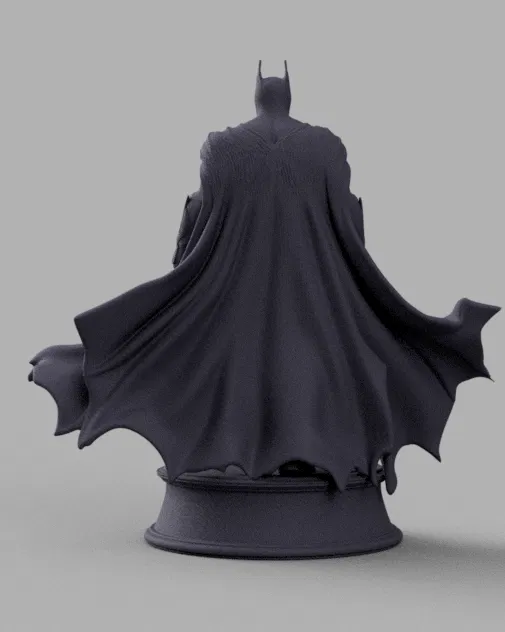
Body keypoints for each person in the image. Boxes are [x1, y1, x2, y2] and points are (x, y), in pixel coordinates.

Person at [29, 61, 500, 494]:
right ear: (289, 95)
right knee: (321, 371)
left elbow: (195, 219)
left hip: (241, 303)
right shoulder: (325, 147)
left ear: (256, 94)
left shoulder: (222, 147)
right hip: (305, 301)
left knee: (206, 366)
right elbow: (352, 223)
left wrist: (182, 268)